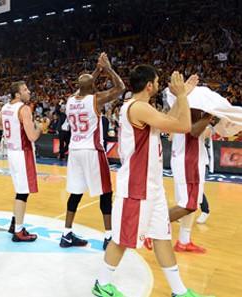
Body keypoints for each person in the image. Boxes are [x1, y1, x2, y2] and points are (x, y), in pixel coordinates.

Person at [92, 65, 213, 297]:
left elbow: (169, 119)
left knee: (162, 237)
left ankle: (179, 291)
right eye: (157, 81)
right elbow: (183, 126)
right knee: (123, 239)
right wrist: (180, 96)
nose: (159, 84)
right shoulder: (137, 108)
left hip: (151, 187)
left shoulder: (142, 108)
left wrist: (183, 95)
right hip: (137, 186)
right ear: (149, 85)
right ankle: (102, 283)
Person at [61, 53, 125, 250]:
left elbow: (85, 86)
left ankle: (66, 234)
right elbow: (121, 88)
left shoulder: (70, 100)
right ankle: (108, 237)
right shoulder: (96, 100)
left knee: (75, 193)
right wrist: (107, 68)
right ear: (93, 87)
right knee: (106, 193)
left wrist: (96, 72)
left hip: (75, 151)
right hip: (92, 150)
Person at [0, 81, 41, 242]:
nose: (29, 91)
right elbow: (32, 136)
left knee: (20, 189)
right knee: (23, 192)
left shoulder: (6, 107)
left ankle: (14, 223)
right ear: (18, 94)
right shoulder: (23, 109)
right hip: (23, 152)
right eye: (25, 89)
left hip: (12, 153)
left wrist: (9, 132)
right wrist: (41, 127)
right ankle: (19, 231)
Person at [166, 106, 213, 253]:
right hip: (188, 164)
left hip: (189, 162)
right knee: (188, 205)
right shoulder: (188, 120)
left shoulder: (182, 120)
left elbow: (171, 136)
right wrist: (210, 114)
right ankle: (150, 229)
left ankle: (184, 241)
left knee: (191, 206)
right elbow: (195, 132)